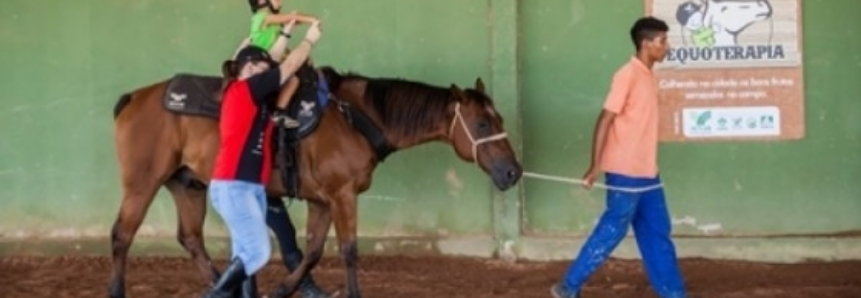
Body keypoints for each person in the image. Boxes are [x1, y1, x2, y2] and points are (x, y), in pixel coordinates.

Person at [550, 17, 689, 298]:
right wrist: (595, 166)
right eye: (662, 41)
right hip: (625, 173)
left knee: (657, 233)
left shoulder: (648, 75)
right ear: (646, 44)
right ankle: (568, 286)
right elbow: (605, 119)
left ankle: (674, 293)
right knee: (611, 231)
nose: (667, 46)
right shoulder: (627, 74)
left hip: (648, 173)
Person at [201, 20, 322, 298]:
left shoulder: (256, 98)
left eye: (262, 68)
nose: (258, 70)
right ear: (239, 71)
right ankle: (214, 295)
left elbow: (277, 66)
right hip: (234, 185)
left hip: (251, 187)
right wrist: (310, 39)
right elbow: (287, 67)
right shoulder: (242, 90)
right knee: (258, 252)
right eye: (251, 66)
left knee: (244, 251)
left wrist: (286, 34)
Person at [233, 0, 320, 128]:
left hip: (271, 59)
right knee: (293, 80)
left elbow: (291, 22)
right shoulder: (262, 17)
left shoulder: (273, 24)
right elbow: (291, 18)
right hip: (260, 63)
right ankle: (279, 112)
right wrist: (313, 20)